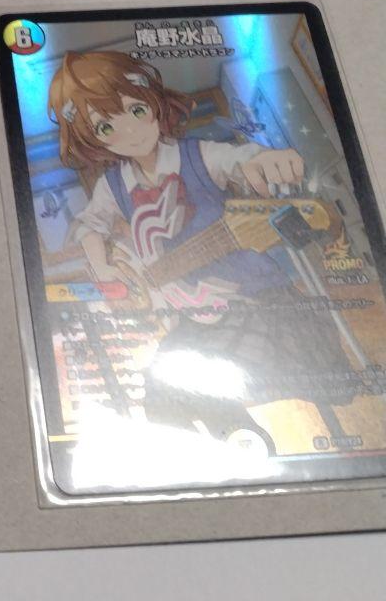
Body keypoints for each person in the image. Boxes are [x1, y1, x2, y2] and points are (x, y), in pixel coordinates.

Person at [47, 50, 354, 441]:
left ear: (153, 102)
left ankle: (246, 441)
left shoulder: (197, 155)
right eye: (106, 127)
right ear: (93, 140)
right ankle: (238, 445)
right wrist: (104, 267)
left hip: (256, 300)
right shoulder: (113, 185)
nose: (130, 131)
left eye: (136, 110)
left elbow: (240, 158)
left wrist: (264, 161)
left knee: (201, 383)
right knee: (159, 399)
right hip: (196, 315)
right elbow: (88, 224)